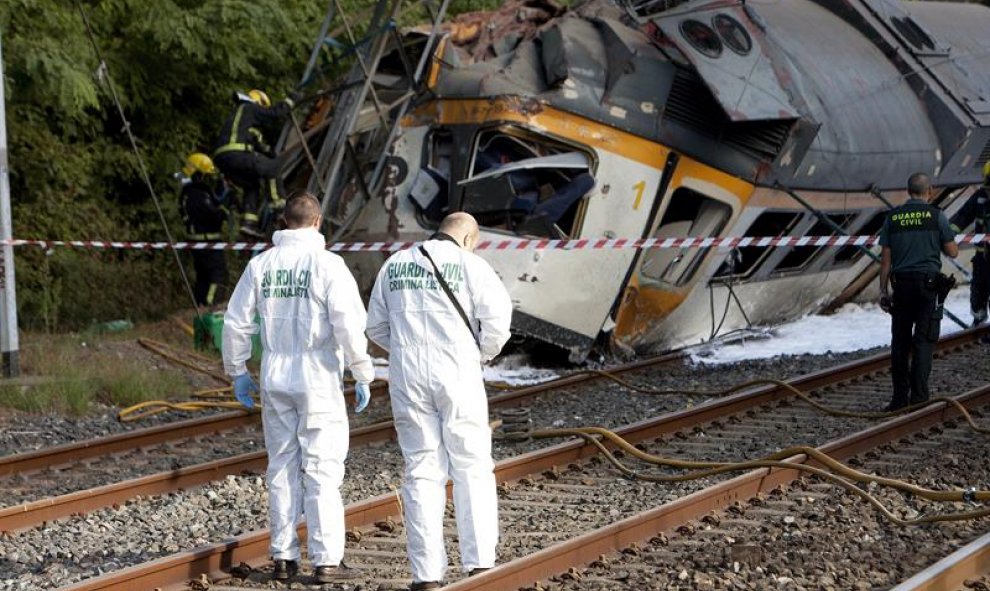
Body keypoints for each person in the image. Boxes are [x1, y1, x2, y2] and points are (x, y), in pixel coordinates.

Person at [222, 193, 375, 583]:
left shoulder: (261, 265)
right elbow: (347, 324)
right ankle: (325, 560)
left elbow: (237, 320)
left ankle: (283, 556)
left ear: (283, 222)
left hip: (276, 373)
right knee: (322, 467)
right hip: (317, 374)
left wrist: (237, 369)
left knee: (282, 467)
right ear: (318, 221)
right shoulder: (328, 265)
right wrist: (362, 370)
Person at [365, 212, 513, 591]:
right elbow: (497, 321)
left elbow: (376, 326)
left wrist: (404, 350)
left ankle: (426, 574)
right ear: (468, 238)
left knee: (421, 468)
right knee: (471, 465)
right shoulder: (471, 265)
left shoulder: (395, 265)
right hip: (458, 370)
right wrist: (481, 354)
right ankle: (480, 564)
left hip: (408, 374)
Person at [878, 172, 959, 411]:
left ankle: (899, 399)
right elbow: (953, 252)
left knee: (900, 343)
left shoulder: (893, 218)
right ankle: (919, 398)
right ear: (929, 191)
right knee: (923, 341)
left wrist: (883, 292)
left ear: (908, 191)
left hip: (901, 287)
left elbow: (885, 261)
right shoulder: (937, 216)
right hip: (928, 287)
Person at [213, 89, 297, 238]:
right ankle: (281, 211)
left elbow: (258, 144)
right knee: (272, 168)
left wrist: (270, 152)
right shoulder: (250, 108)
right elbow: (275, 113)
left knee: (251, 185)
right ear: (259, 102)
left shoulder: (241, 120)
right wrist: (290, 100)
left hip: (223, 159)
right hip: (236, 154)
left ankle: (248, 224)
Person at [179, 152, 228, 307]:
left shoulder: (187, 193)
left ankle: (199, 305)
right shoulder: (197, 194)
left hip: (197, 242)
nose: (208, 179)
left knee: (203, 277)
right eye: (206, 176)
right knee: (218, 276)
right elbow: (211, 215)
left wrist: (220, 195)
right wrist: (223, 211)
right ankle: (211, 304)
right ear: (198, 175)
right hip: (208, 242)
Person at [949, 164, 990, 326]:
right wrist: (949, 233)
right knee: (979, 290)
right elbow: (963, 216)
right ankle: (979, 321)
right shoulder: (980, 197)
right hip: (983, 256)